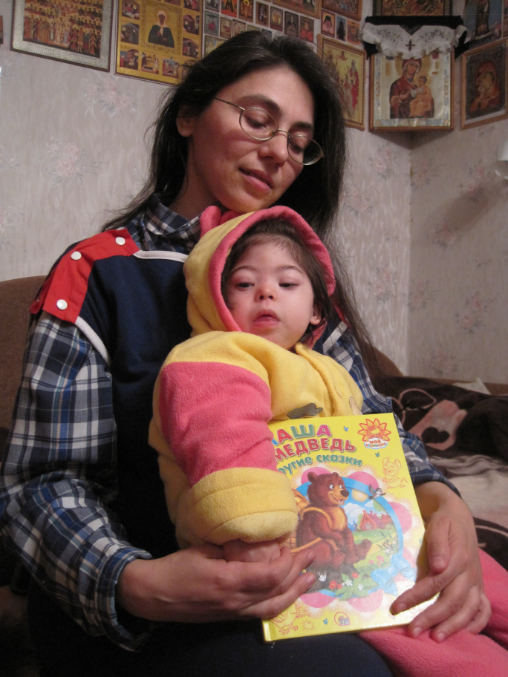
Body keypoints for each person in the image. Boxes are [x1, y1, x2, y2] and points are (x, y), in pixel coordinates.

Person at [0, 32, 490, 677]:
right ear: (187, 115)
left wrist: (440, 498)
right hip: (144, 608)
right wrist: (137, 584)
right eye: (258, 119)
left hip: (315, 580)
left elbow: (372, 424)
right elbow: (41, 484)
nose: (279, 152)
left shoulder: (300, 284)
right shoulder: (98, 273)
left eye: (299, 141)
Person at [150, 207, 364, 562]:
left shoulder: (332, 370)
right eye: (244, 284)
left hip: (324, 524)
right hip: (240, 544)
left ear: (316, 310)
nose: (265, 292)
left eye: (287, 284)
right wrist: (250, 531)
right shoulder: (214, 356)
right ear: (217, 300)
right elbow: (225, 440)